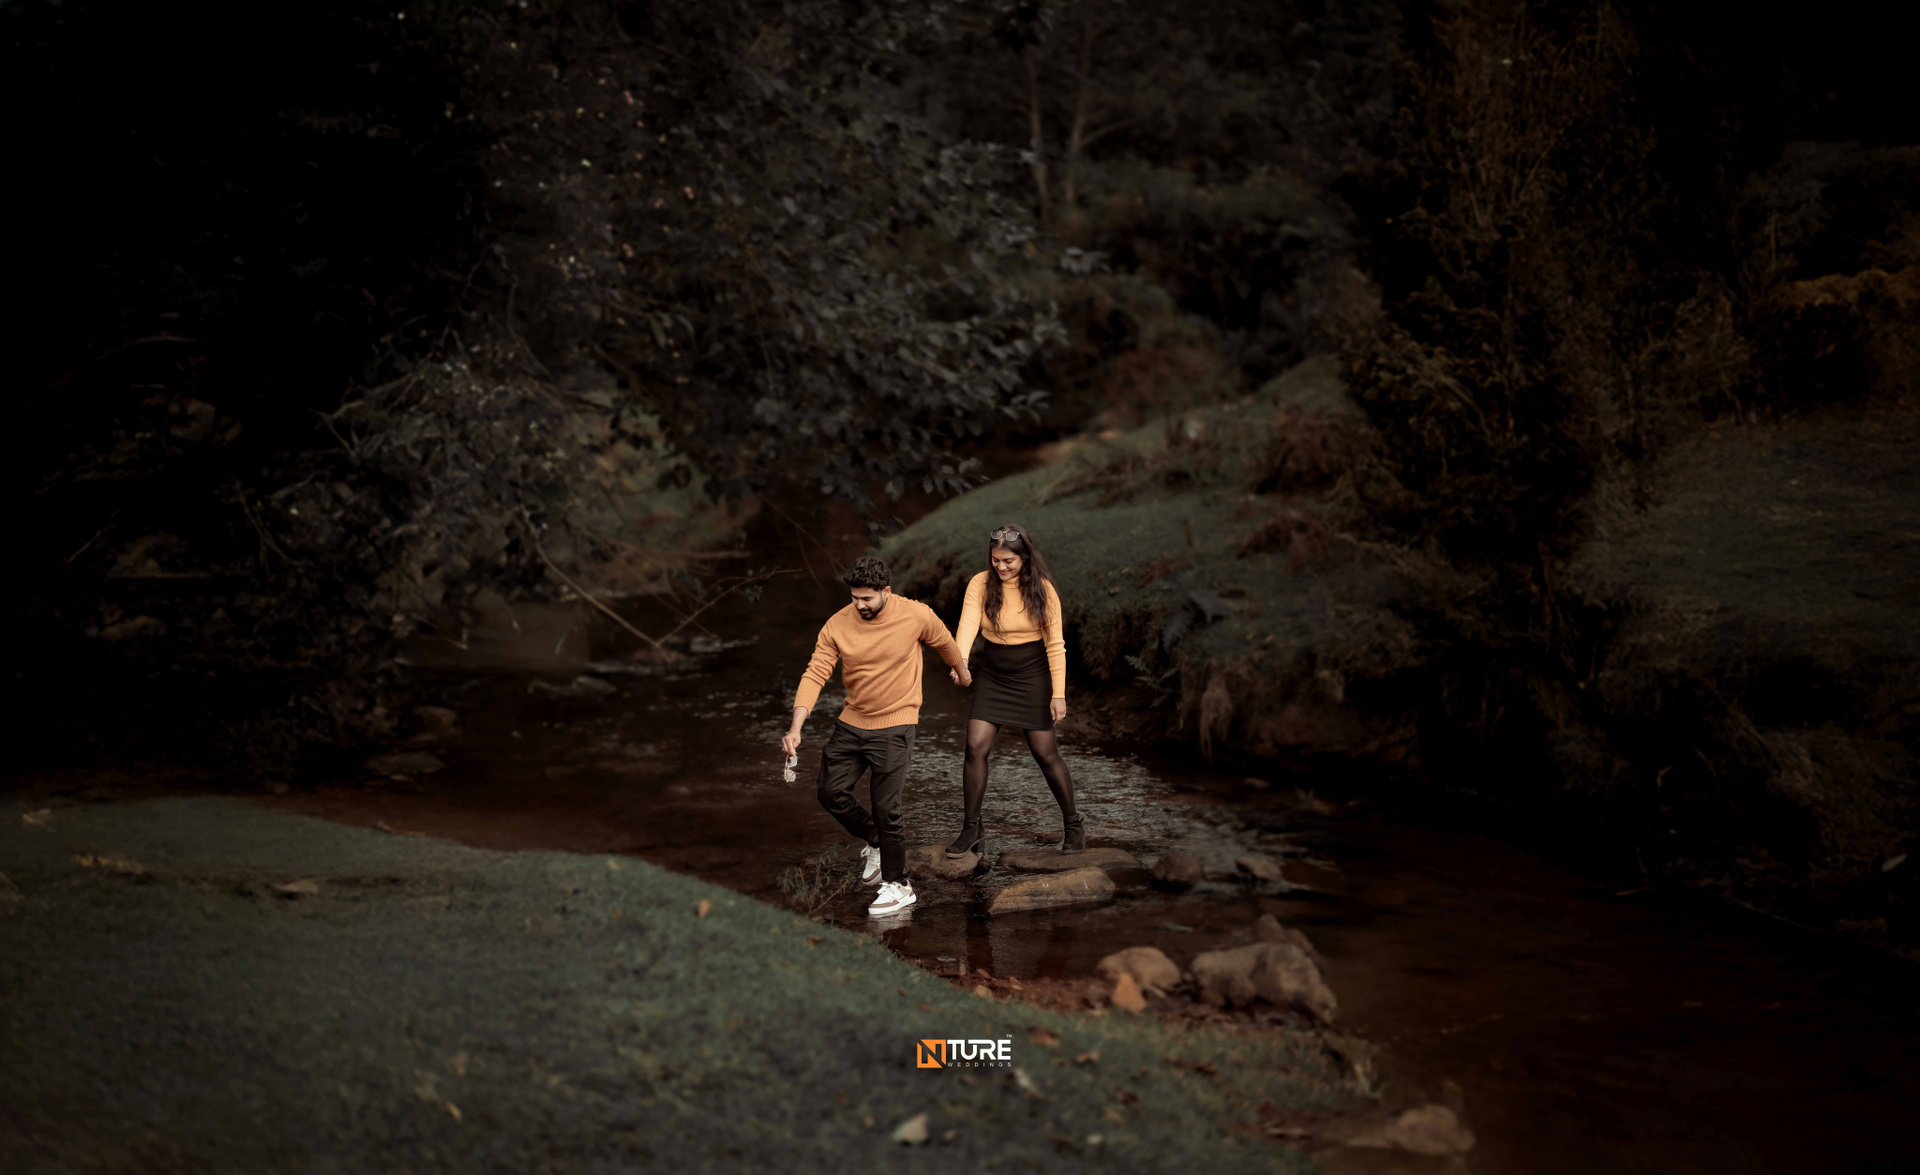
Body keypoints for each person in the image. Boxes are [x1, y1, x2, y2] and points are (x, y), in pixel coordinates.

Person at [781, 555, 970, 918]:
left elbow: (944, 641)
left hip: (896, 723)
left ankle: (900, 885)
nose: (859, 605)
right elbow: (815, 672)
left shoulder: (915, 615)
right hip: (853, 721)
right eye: (854, 597)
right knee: (829, 791)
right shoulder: (837, 624)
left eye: (866, 598)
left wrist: (961, 672)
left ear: (886, 591)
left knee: (887, 807)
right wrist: (796, 727)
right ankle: (876, 841)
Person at [944, 524, 1083, 858]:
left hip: (1033, 674)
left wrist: (1058, 694)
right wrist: (960, 663)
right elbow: (967, 624)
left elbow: (1056, 645)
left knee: (1045, 753)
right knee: (974, 746)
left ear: (1025, 557)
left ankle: (1073, 825)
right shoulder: (981, 583)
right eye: (996, 560)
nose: (1001, 567)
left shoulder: (1043, 591)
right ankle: (971, 829)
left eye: (1009, 561)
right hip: (993, 674)